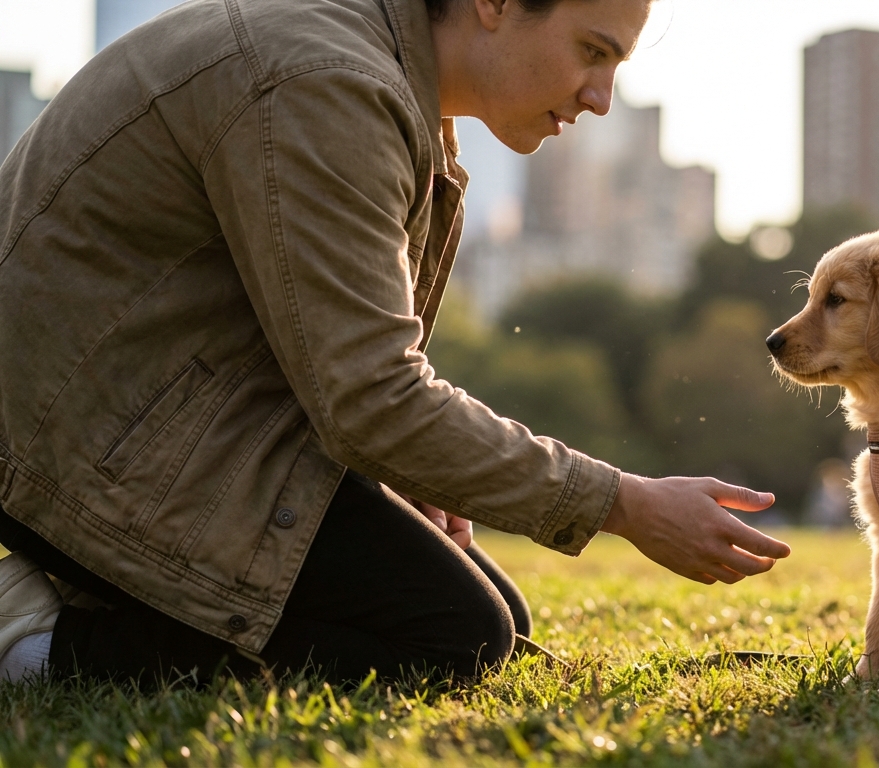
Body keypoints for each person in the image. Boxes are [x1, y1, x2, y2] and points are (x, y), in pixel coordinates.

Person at [0, 0, 789, 686]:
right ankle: (36, 639)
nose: (601, 97)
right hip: (57, 454)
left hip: (150, 422)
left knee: (497, 620)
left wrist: (410, 466)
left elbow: (327, 347)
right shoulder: (329, 86)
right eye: (592, 51)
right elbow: (373, 397)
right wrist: (627, 504)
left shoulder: (375, 73)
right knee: (449, 639)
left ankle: (93, 588)